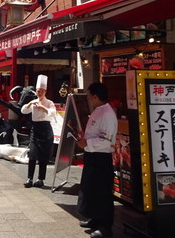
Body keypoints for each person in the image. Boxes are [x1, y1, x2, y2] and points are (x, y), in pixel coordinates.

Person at [76, 82, 118, 238]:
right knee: (91, 189)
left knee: (102, 192)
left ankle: (105, 227)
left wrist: (87, 143)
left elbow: (106, 140)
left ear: (95, 96)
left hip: (101, 157)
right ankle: (94, 218)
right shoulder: (99, 110)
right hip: (92, 156)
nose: (88, 98)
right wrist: (84, 137)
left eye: (89, 96)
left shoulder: (107, 114)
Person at [20, 75, 56, 189]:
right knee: (32, 154)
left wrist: (42, 108)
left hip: (45, 130)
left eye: (41, 91)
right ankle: (29, 178)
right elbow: (23, 111)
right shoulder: (34, 101)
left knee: (43, 156)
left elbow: (53, 113)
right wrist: (30, 104)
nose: (39, 93)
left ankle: (40, 179)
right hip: (35, 129)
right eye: (37, 91)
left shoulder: (49, 102)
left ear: (45, 91)